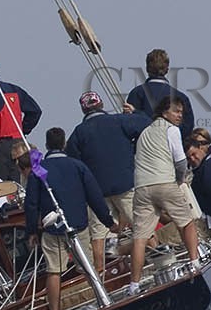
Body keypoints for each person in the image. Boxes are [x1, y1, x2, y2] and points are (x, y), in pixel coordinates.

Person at [23, 127, 115, 310]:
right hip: (78, 225)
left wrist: (31, 231)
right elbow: (94, 196)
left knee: (54, 271)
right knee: (89, 267)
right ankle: (102, 299)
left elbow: (31, 204)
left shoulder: (38, 171)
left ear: (47, 145)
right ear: (64, 144)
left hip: (52, 228)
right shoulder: (78, 166)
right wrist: (108, 221)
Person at [128, 95, 200, 291]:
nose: (179, 116)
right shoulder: (172, 130)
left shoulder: (144, 133)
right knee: (187, 222)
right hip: (164, 182)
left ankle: (134, 284)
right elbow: (179, 161)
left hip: (142, 188)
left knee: (140, 238)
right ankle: (195, 263)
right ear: (164, 112)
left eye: (181, 113)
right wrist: (180, 179)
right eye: (176, 111)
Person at [63, 91, 150, 238]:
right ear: (101, 105)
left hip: (98, 193)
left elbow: (73, 162)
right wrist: (136, 112)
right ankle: (159, 256)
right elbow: (148, 125)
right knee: (143, 229)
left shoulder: (78, 133)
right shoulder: (120, 121)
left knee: (99, 237)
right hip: (125, 186)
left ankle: (100, 262)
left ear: (84, 110)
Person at [0, 62, 42, 181]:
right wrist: (22, 130)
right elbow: (35, 111)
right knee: (26, 179)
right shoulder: (16, 90)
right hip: (20, 144)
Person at [125, 49, 195, 136]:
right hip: (171, 146)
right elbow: (187, 129)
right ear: (167, 69)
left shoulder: (137, 93)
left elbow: (128, 124)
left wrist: (137, 112)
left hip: (142, 146)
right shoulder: (181, 98)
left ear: (147, 68)